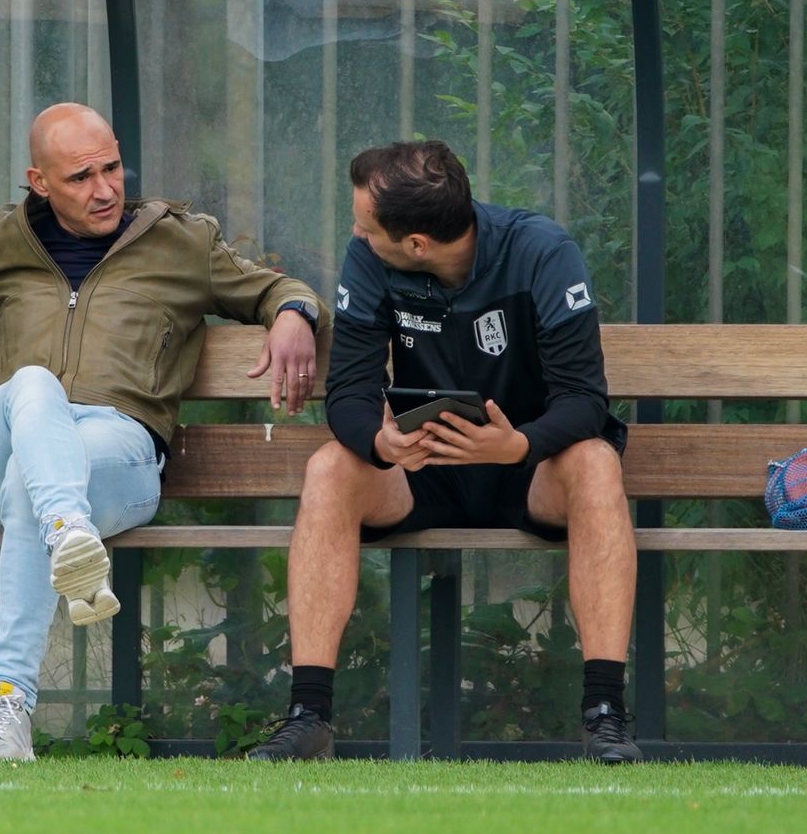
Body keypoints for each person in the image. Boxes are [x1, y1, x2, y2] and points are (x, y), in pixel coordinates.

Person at [0, 103, 327, 761]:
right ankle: (70, 532)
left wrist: (293, 313)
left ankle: (4, 704)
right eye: (81, 177)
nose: (106, 188)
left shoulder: (182, 243)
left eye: (112, 168)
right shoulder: (5, 238)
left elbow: (277, 288)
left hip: (118, 455)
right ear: (39, 182)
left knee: (34, 488)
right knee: (34, 384)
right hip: (7, 442)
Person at [248, 140, 641, 763]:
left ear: (416, 244)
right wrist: (380, 441)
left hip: (527, 469)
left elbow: (584, 400)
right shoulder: (369, 259)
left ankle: (605, 717)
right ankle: (308, 717)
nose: (355, 234)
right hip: (421, 471)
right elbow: (348, 391)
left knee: (596, 460)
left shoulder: (542, 251)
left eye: (365, 225)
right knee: (328, 467)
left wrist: (519, 444)